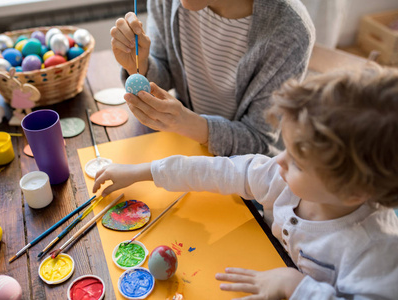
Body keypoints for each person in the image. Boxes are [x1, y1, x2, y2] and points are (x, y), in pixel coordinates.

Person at [92, 65, 398, 299]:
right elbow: (214, 171)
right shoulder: (280, 179)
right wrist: (141, 171)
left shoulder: (378, 252)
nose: (279, 160)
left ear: (353, 191)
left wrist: (296, 286)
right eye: (287, 148)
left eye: (299, 163)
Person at [110, 0, 315, 156]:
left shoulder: (290, 31)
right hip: (186, 146)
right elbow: (165, 73)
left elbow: (259, 141)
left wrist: (186, 123)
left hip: (248, 172)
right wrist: (139, 64)